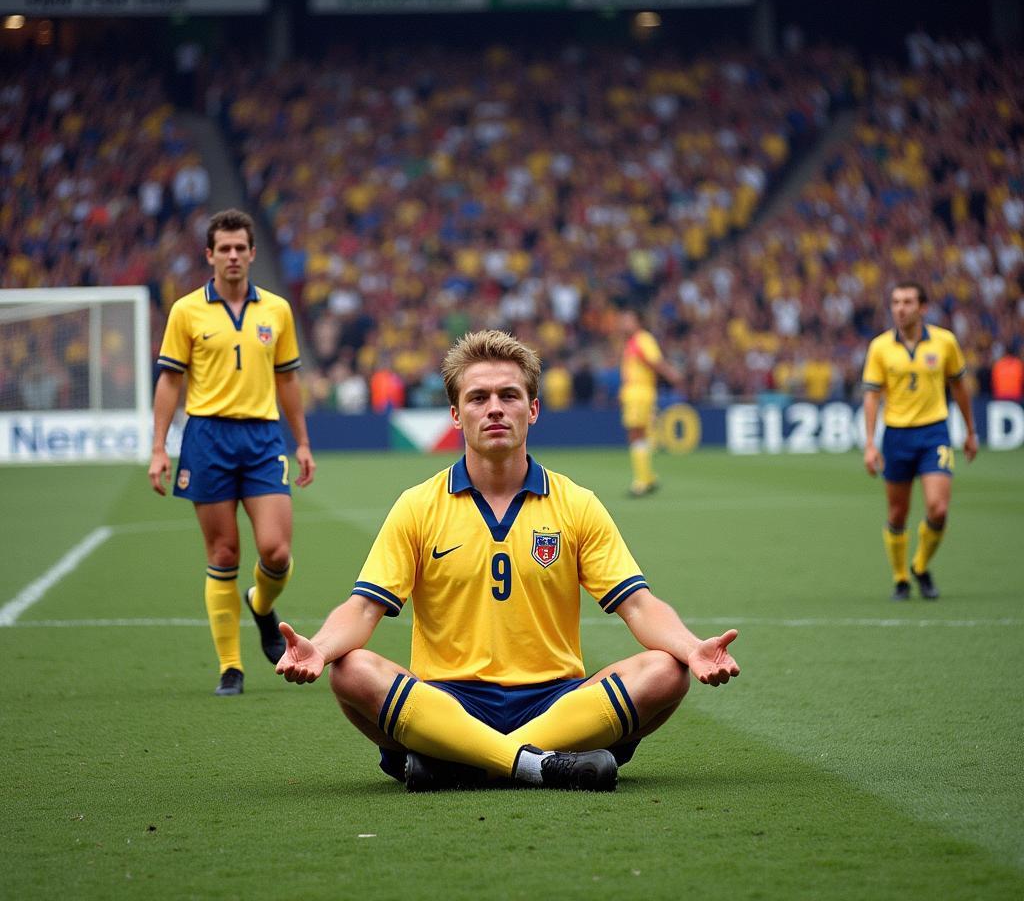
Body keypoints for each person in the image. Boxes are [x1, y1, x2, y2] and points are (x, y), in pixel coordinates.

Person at [276, 330, 738, 793]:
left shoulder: (576, 503)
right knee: (350, 670)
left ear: (532, 409)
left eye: (509, 395)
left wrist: (690, 645)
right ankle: (539, 764)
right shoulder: (418, 505)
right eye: (478, 397)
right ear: (456, 415)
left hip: (556, 702)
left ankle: (463, 760)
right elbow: (362, 609)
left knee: (668, 670)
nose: (494, 408)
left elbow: (637, 605)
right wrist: (320, 646)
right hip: (448, 700)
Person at [148, 209, 315, 695]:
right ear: (210, 255)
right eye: (225, 248)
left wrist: (302, 441)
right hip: (207, 438)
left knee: (276, 553)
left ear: (252, 253)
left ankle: (261, 605)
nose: (234, 255)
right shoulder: (186, 311)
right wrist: (159, 448)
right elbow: (169, 381)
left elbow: (288, 380)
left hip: (263, 439)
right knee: (223, 552)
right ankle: (231, 669)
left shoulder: (277, 311)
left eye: (241, 247)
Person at [862, 282, 978, 601]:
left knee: (938, 509)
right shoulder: (880, 347)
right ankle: (900, 578)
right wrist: (870, 443)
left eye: (908, 302)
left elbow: (959, 387)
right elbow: (871, 397)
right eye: (896, 302)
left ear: (922, 307)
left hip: (934, 432)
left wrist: (970, 432)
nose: (900, 308)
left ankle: (921, 566)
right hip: (896, 435)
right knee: (898, 514)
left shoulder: (945, 342)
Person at [618, 308, 684, 497]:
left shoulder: (643, 339)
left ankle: (642, 481)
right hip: (635, 391)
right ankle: (648, 477)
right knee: (641, 435)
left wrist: (672, 375)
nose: (624, 324)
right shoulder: (632, 342)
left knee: (636, 434)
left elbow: (655, 361)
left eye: (628, 319)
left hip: (640, 392)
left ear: (638, 321)